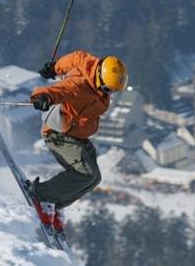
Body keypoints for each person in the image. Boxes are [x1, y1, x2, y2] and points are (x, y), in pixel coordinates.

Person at [29, 50, 128, 232]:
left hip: (76, 135)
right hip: (58, 135)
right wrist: (42, 97)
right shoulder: (79, 86)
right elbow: (58, 90)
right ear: (100, 78)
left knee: (94, 177)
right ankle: (42, 196)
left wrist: (55, 68)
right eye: (108, 89)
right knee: (85, 174)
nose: (109, 94)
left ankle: (54, 202)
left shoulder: (89, 64)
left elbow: (76, 58)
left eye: (114, 91)